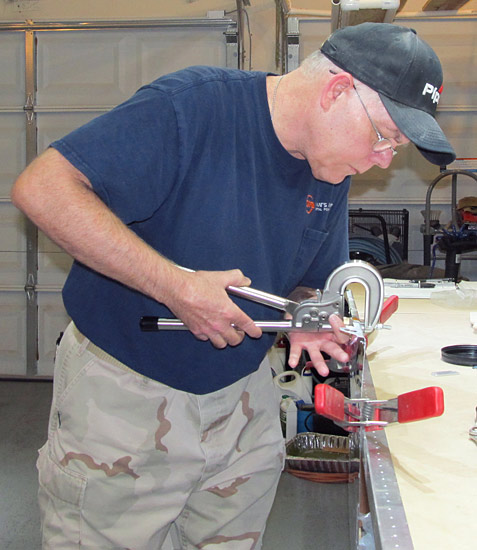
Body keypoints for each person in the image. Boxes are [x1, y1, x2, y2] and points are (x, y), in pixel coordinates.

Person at [11, 22, 455, 550]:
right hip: (122, 397)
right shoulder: (191, 109)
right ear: (337, 92)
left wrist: (306, 320)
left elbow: (310, 286)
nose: (384, 160)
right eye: (385, 137)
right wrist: (174, 285)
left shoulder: (330, 168)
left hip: (243, 404)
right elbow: (42, 189)